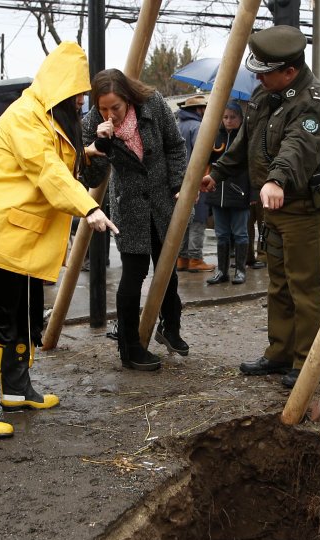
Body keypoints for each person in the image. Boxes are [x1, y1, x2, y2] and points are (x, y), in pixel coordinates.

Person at [0, 42, 117, 439]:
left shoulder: (48, 117)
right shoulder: (25, 115)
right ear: (61, 87)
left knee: (25, 313)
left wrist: (90, 151)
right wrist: (88, 208)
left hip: (23, 237)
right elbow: (46, 169)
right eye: (77, 94)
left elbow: (58, 161)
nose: (81, 102)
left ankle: (17, 389)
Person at [201, 25, 320, 389]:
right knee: (279, 282)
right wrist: (217, 173)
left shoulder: (313, 102)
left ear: (289, 71)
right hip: (274, 206)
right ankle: (280, 353)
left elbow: (299, 147)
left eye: (265, 73)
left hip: (307, 206)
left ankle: (308, 363)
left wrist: (277, 179)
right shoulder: (266, 95)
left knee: (307, 286)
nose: (258, 78)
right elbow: (246, 142)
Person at [82, 69, 189, 371]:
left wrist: (179, 183)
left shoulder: (152, 103)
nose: (110, 114)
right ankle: (129, 347)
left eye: (115, 107)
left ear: (127, 98)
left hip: (162, 198)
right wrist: (100, 147)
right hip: (129, 205)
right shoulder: (91, 123)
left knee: (167, 266)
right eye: (103, 108)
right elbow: (91, 177)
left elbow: (175, 145)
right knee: (134, 273)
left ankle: (170, 327)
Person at [205, 101, 253, 286]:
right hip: (217, 193)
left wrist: (253, 194)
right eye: (225, 117)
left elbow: (253, 167)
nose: (228, 121)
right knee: (222, 234)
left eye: (233, 117)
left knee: (240, 233)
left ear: (241, 119)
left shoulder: (245, 139)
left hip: (239, 193)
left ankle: (240, 270)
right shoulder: (214, 137)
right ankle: (222, 271)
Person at [173, 94, 213, 274]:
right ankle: (195, 259)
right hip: (196, 180)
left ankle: (181, 259)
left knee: (183, 220)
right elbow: (202, 155)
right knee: (198, 220)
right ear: (199, 109)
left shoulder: (177, 126)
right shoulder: (198, 127)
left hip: (177, 181)